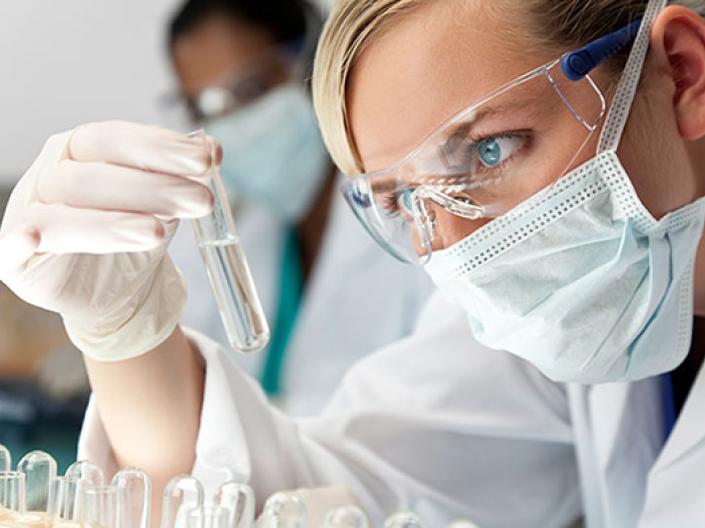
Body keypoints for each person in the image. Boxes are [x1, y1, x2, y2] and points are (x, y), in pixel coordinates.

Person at [1, 0, 705, 525]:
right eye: (402, 200)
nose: (457, 247)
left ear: (681, 70)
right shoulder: (568, 308)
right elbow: (326, 497)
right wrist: (126, 335)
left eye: (490, 150)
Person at [164, 0, 433, 414]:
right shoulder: (241, 231)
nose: (235, 124)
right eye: (204, 107)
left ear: (311, 63)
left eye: (251, 89)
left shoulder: (411, 212)